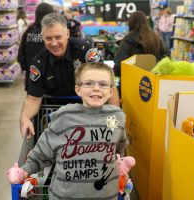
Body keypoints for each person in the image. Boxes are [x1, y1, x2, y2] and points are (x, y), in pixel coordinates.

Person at [10, 62, 128, 199]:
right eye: (89, 83)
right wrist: (24, 171)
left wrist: (121, 165)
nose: (96, 88)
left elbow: (119, 149)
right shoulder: (64, 117)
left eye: (103, 84)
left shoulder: (117, 117)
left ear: (111, 91)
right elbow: (41, 152)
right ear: (78, 89)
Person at [20, 13, 120, 138]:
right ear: (42, 37)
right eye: (48, 38)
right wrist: (24, 118)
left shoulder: (85, 50)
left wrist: (114, 116)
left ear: (67, 34)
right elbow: (33, 98)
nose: (54, 43)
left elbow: (109, 84)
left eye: (58, 37)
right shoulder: (38, 63)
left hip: (89, 111)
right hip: (55, 116)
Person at [114, 11, 168, 79]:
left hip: (131, 83)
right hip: (154, 83)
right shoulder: (156, 39)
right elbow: (166, 61)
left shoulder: (128, 40)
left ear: (130, 23)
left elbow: (119, 67)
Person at [17, 3, 54, 90]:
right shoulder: (52, 32)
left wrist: (27, 70)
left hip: (32, 78)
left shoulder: (29, 31)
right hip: (50, 80)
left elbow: (21, 56)